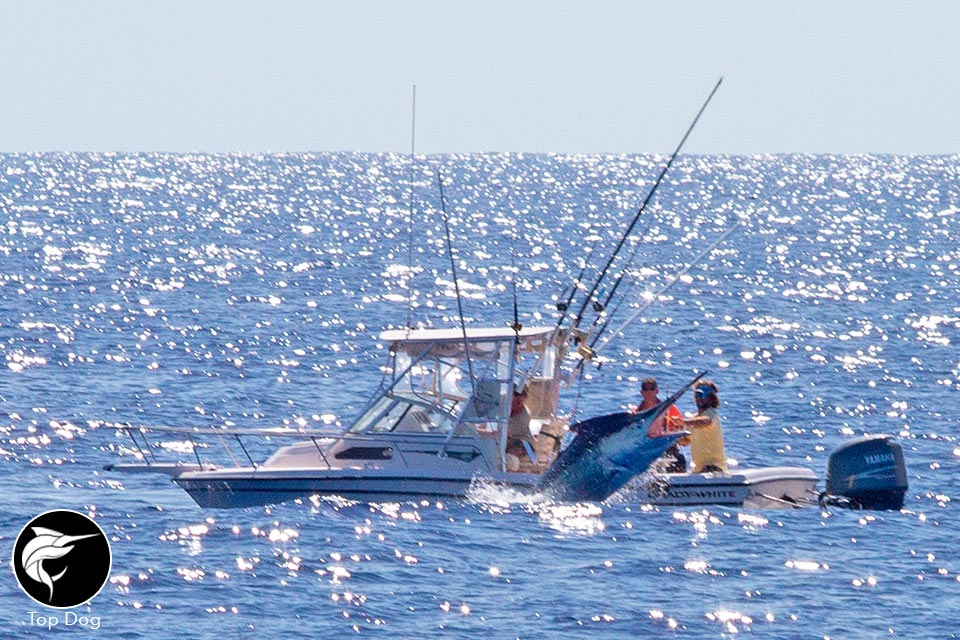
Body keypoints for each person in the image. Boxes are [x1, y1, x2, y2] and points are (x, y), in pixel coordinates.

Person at [635, 377, 687, 473]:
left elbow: (682, 428)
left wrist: (675, 427)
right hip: (648, 450)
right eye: (646, 389)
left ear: (657, 391)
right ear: (642, 392)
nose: (649, 392)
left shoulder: (669, 407)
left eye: (652, 389)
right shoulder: (637, 413)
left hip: (667, 447)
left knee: (679, 460)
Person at [680, 380, 727, 473]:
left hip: (714, 467)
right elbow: (684, 442)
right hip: (698, 469)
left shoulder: (711, 413)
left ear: (710, 398)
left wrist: (683, 422)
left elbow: (705, 421)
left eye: (702, 395)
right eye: (697, 395)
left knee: (708, 469)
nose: (699, 398)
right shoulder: (693, 419)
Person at [506, 387, 534, 461]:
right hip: (508, 440)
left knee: (510, 457)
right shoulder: (503, 409)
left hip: (524, 443)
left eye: (523, 395)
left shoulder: (524, 416)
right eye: (516, 394)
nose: (519, 397)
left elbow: (504, 431)